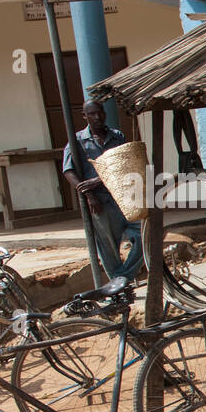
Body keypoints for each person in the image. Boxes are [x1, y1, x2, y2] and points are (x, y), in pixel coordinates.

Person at [62, 100, 144, 283]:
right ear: (85, 116)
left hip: (123, 196)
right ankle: (118, 286)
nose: (97, 117)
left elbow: (125, 165)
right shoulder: (77, 141)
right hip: (99, 201)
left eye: (100, 112)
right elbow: (68, 171)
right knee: (108, 247)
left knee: (144, 235)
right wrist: (89, 195)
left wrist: (99, 180)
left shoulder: (117, 136)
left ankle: (120, 279)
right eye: (91, 114)